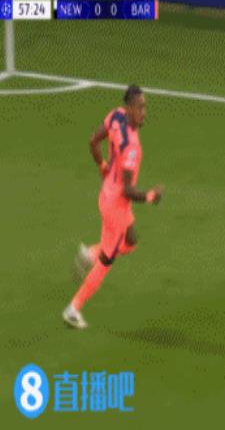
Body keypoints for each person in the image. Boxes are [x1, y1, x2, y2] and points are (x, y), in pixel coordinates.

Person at [63, 85, 164, 329]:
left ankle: (89, 254)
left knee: (130, 241)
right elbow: (128, 191)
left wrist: (102, 166)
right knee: (107, 260)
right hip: (116, 206)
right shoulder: (132, 148)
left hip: (107, 194)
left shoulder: (115, 116)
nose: (144, 112)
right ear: (129, 108)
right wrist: (151, 196)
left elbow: (93, 141)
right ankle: (73, 309)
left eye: (145, 107)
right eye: (140, 107)